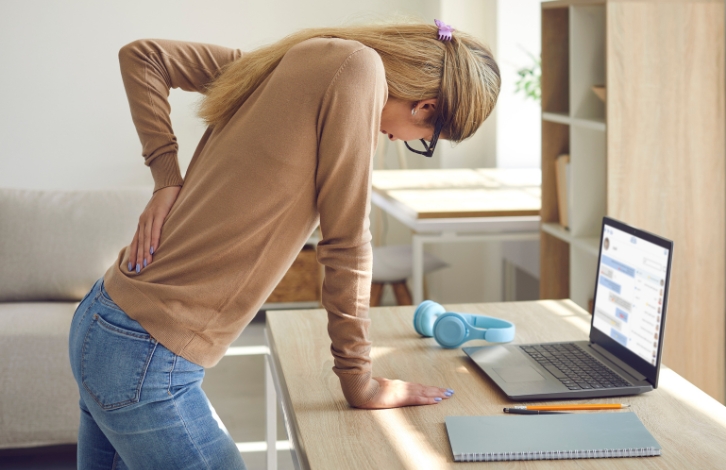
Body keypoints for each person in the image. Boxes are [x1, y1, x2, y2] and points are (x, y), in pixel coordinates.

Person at [68, 19, 500, 469]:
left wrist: (166, 178)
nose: (401, 141)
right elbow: (347, 243)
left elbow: (143, 56)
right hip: (143, 353)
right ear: (425, 107)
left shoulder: (301, 58)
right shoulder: (359, 71)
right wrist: (361, 383)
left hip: (107, 320)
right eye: (428, 141)